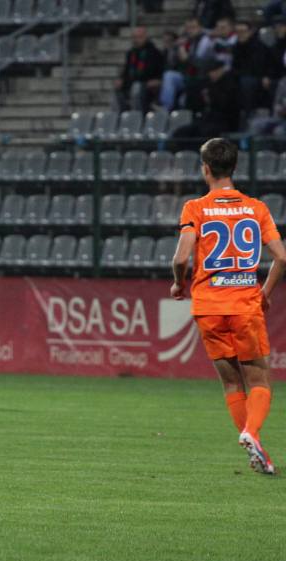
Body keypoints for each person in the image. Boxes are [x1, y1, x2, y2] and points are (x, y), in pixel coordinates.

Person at [170, 138, 286, 475]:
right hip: (245, 304)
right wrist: (265, 292)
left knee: (232, 383)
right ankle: (251, 433)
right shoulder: (256, 208)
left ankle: (254, 447)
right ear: (234, 168)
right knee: (259, 378)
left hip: (208, 306)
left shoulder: (195, 207)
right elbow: (281, 257)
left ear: (205, 169)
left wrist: (179, 283)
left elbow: (180, 258)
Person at [158, 17, 213, 111]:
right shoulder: (185, 42)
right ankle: (165, 108)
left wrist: (188, 58)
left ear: (200, 28)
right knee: (169, 75)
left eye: (193, 27)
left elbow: (204, 64)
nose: (190, 30)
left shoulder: (207, 41)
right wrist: (176, 48)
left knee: (183, 100)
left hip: (202, 78)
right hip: (187, 77)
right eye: (188, 28)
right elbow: (173, 64)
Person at [113, 26, 165, 112]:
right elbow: (126, 70)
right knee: (117, 89)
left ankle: (137, 115)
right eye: (134, 37)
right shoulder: (131, 53)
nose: (136, 40)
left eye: (139, 37)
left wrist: (158, 80)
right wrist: (120, 79)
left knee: (136, 87)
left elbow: (160, 71)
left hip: (147, 85)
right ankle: (119, 115)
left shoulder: (154, 53)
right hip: (131, 83)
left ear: (145, 37)